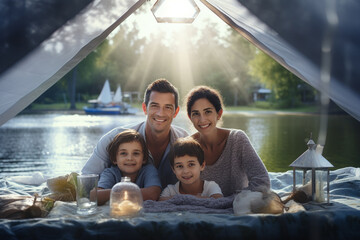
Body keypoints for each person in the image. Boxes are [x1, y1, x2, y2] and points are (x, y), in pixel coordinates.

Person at [82, 79, 188, 189]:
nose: (160, 113)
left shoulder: (186, 142)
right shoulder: (112, 140)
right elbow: (85, 182)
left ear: (175, 112)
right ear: (144, 108)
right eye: (154, 106)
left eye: (168, 107)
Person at [185, 86, 270, 197]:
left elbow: (263, 182)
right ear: (190, 117)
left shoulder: (237, 139)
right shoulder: (186, 146)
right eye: (196, 114)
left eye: (208, 112)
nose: (202, 119)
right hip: (205, 209)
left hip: (237, 206)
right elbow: (179, 188)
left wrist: (225, 202)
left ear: (219, 114)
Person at [96, 129, 161, 205]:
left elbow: (153, 194)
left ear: (144, 158)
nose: (130, 158)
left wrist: (115, 193)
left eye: (136, 153)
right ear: (114, 159)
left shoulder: (149, 170)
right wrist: (132, 193)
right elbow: (96, 196)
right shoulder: (110, 173)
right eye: (123, 153)